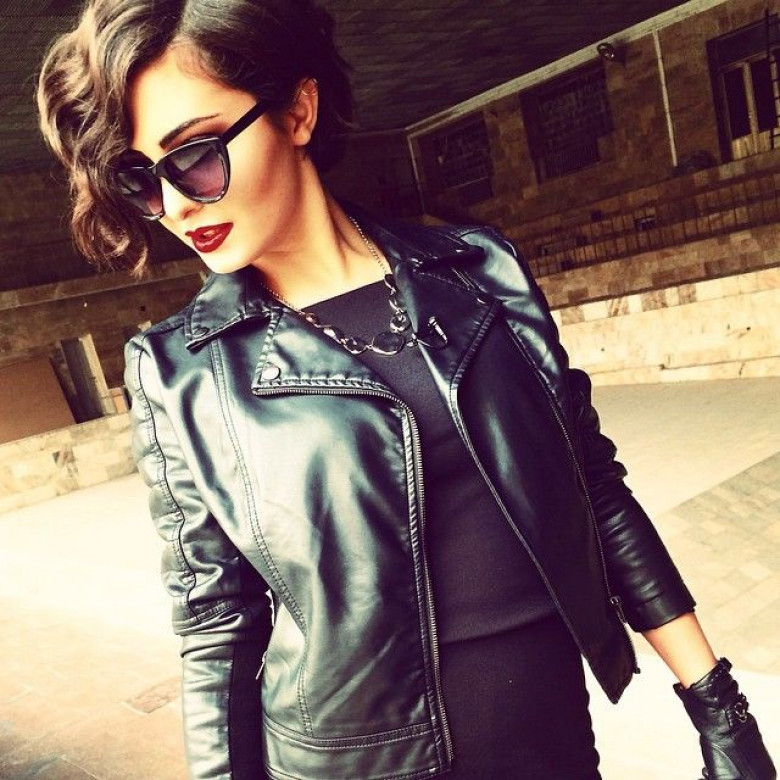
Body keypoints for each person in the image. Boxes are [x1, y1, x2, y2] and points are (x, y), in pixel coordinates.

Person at [36, 1, 776, 779]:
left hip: (552, 743)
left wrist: (720, 711)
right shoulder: (180, 369)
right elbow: (215, 626)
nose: (178, 204)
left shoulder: (479, 272)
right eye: (141, 180)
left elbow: (593, 486)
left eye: (195, 155)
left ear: (298, 110)